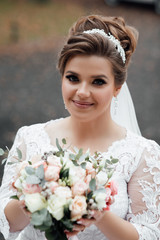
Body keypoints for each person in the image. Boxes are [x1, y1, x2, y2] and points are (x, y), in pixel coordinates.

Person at [0, 14, 160, 240]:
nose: (82, 92)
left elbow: (149, 234)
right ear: (62, 77)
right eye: (73, 78)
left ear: (117, 87)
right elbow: (8, 224)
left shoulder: (142, 154)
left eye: (98, 81)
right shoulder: (30, 137)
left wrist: (97, 212)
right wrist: (36, 193)